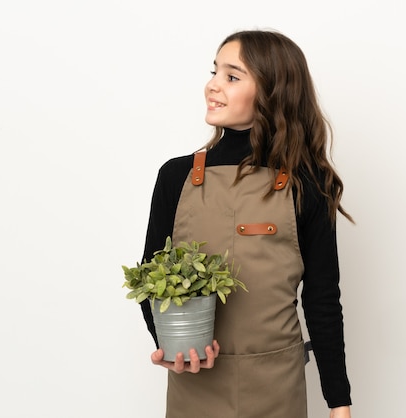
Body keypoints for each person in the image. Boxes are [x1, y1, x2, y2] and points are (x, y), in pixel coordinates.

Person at [140, 29, 353, 418]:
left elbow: (322, 298)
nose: (212, 85)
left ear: (272, 92)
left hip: (277, 387)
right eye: (214, 71)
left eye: (232, 76)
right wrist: (172, 347)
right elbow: (148, 280)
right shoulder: (176, 177)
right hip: (195, 386)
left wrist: (338, 402)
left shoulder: (307, 185)